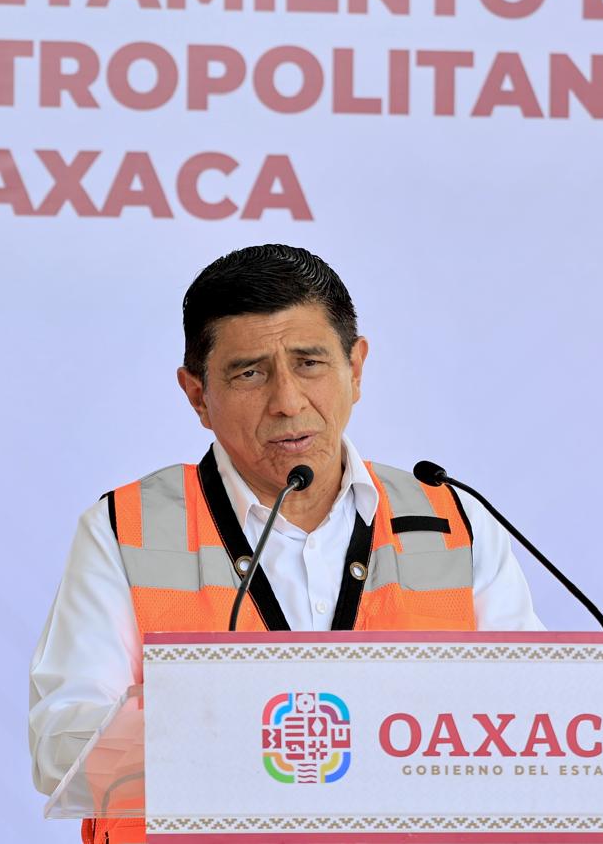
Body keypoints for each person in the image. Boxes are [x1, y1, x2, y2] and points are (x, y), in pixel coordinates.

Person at [28, 244, 544, 843]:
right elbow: (62, 749)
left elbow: (534, 728)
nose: (288, 401)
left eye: (310, 363)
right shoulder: (126, 528)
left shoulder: (455, 520)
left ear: (356, 368)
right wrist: (257, 735)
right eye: (249, 372)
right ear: (197, 395)